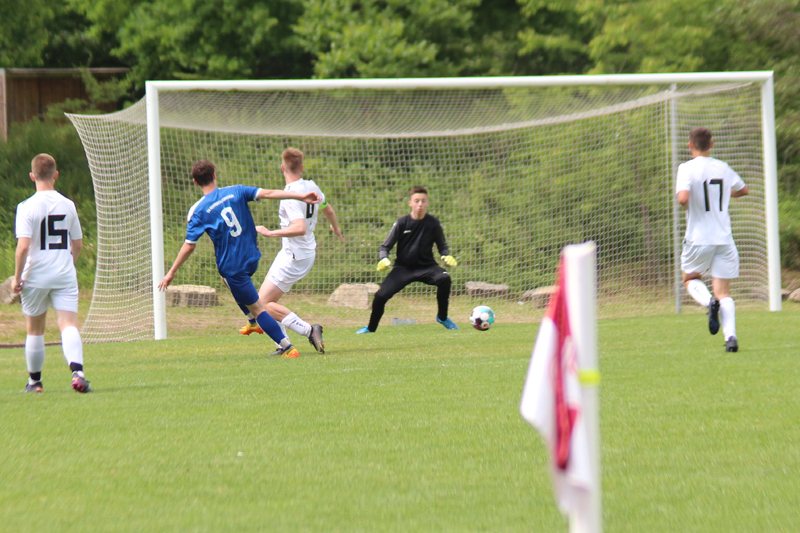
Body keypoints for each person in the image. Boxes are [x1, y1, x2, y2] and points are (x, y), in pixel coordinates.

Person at [157, 159, 320, 358]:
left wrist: (171, 273)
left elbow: (189, 245)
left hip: (233, 267)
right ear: (215, 175)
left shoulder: (198, 211)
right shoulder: (236, 190)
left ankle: (287, 347)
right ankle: (251, 321)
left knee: (260, 307)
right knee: (228, 282)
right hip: (251, 257)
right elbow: (269, 193)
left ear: (195, 182)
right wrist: (301, 196)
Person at [238, 148, 344, 356]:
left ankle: (308, 330)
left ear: (282, 167)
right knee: (264, 300)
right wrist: (336, 227)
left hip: (295, 256)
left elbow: (299, 228)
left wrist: (269, 233)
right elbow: (328, 210)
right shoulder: (310, 186)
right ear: (302, 167)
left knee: (262, 305)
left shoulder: (291, 196)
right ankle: (282, 343)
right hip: (299, 252)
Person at [13, 153, 91, 393]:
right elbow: (76, 244)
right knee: (68, 324)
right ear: (56, 175)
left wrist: (17, 278)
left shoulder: (26, 207)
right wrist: (68, 265)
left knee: (35, 329)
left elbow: (23, 247)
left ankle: (35, 382)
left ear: (32, 176)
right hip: (64, 274)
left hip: (35, 275)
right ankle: (78, 373)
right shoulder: (68, 204)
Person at [676, 127, 749, 352]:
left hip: (698, 238)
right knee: (724, 291)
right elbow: (743, 190)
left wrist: (689, 202)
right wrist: (723, 194)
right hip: (724, 239)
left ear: (690, 145)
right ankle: (731, 339)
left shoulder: (686, 168)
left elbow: (683, 198)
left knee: (689, 278)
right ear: (712, 144)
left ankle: (709, 303)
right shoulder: (722, 167)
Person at [356, 186, 459, 334]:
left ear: (427, 203)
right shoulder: (402, 223)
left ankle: (442, 317)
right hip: (403, 269)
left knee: (445, 279)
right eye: (416, 201)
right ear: (410, 203)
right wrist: (383, 259)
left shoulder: (433, 224)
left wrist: (446, 255)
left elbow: (442, 246)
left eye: (423, 201)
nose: (420, 204)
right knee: (380, 296)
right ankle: (371, 329)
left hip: (427, 267)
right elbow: (384, 247)